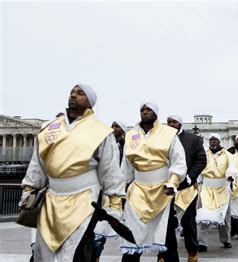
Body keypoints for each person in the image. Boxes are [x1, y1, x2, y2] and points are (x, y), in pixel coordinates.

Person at [20, 84, 125, 261]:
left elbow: (111, 171)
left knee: (77, 250)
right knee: (44, 248)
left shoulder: (101, 132)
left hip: (84, 199)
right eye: (72, 92)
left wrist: (114, 204)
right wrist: (29, 191)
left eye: (80, 93)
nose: (73, 95)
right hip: (52, 199)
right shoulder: (48, 128)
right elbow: (37, 164)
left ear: (90, 102)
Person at [120, 102, 187, 262]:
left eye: (148, 109)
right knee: (133, 233)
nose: (144, 112)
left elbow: (178, 160)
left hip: (162, 191)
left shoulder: (169, 133)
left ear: (156, 113)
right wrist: (120, 189)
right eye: (142, 109)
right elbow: (126, 166)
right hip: (137, 192)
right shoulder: (130, 135)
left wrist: (173, 182)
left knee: (167, 235)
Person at [167, 115, 206, 262]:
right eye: (169, 122)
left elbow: (201, 159)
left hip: (186, 187)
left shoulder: (192, 139)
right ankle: (164, 253)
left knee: (188, 222)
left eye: (174, 122)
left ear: (180, 124)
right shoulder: (162, 138)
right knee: (166, 223)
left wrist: (190, 176)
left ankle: (192, 251)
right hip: (167, 188)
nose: (171, 124)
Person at [92, 120, 127, 262]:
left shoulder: (127, 146)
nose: (113, 128)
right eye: (112, 126)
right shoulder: (104, 144)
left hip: (124, 189)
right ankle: (96, 256)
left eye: (117, 126)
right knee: (99, 228)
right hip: (106, 190)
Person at [196, 133, 237, 252]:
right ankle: (202, 242)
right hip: (206, 188)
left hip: (222, 188)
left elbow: (232, 167)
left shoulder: (228, 155)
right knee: (203, 214)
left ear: (219, 142)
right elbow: (199, 166)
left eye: (215, 140)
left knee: (223, 215)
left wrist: (230, 175)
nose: (212, 142)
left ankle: (226, 239)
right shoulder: (203, 154)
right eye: (211, 140)